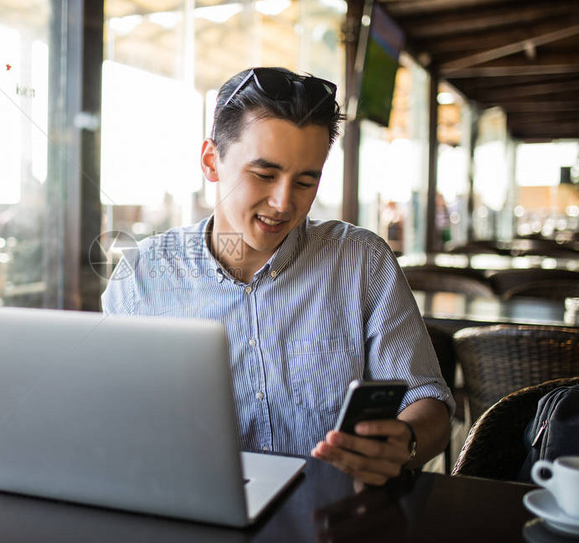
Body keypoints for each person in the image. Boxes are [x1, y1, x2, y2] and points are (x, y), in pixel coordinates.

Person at [101, 67, 454, 486]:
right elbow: (108, 415)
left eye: (306, 181)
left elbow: (427, 400)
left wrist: (406, 442)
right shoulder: (142, 277)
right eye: (264, 175)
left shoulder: (362, 261)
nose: (284, 202)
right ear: (212, 161)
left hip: (333, 515)